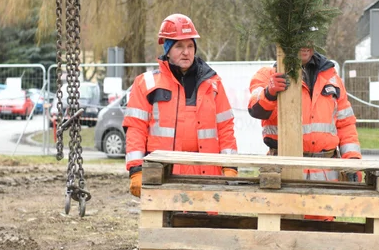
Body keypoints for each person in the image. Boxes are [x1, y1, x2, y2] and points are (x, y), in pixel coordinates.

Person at [124, 14, 238, 196]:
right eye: (179, 46)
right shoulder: (146, 84)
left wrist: (230, 166)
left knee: (205, 224)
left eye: (190, 46)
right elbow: (136, 129)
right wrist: (136, 170)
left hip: (206, 173)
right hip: (163, 173)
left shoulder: (213, 84)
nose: (186, 52)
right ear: (167, 50)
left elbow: (225, 127)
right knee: (164, 222)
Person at [247, 46, 362, 181]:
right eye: (300, 40)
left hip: (327, 174)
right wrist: (269, 94)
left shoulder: (331, 77)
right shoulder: (268, 75)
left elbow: (346, 124)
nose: (305, 46)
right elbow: (255, 109)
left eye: (309, 39)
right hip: (285, 171)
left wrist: (352, 160)